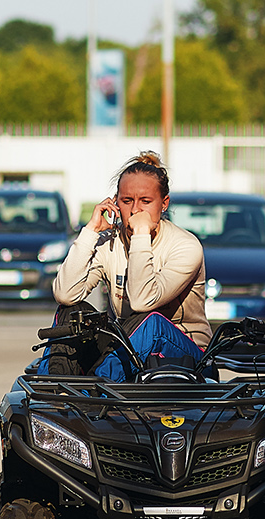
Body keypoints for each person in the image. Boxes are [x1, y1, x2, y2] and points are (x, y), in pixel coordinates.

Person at [46, 151, 209, 381]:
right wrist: (91, 231)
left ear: (164, 204)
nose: (134, 211)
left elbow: (143, 301)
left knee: (151, 322)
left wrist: (141, 234)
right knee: (72, 313)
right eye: (127, 201)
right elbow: (65, 294)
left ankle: (97, 389)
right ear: (115, 202)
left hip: (189, 356)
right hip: (126, 347)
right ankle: (57, 390)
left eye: (146, 202)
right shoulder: (109, 243)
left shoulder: (185, 246)